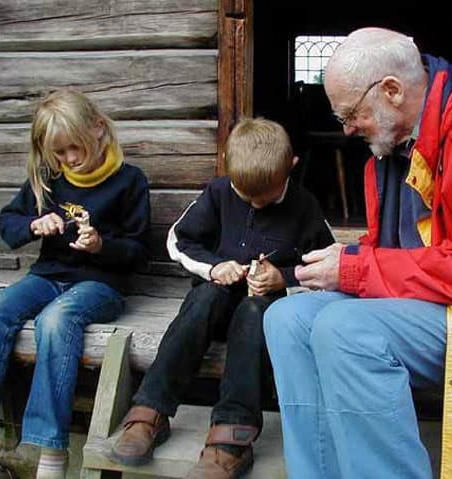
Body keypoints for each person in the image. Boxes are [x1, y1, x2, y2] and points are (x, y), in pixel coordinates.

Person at [263, 27, 452, 479]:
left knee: (345, 330)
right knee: (287, 319)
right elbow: (407, 251)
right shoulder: (391, 146)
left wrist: (359, 270)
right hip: (440, 303)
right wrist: (348, 259)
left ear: (392, 91)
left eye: (349, 113)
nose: (345, 128)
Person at [108, 118, 335, 479]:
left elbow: (327, 266)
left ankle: (233, 436)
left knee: (254, 312)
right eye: (248, 197)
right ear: (228, 164)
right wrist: (214, 268)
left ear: (291, 166)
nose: (258, 205)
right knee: (203, 301)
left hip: (265, 307)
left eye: (269, 195)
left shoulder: (305, 206)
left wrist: (284, 279)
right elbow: (179, 241)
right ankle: (150, 410)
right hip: (217, 295)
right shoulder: (218, 192)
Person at [0, 88, 151, 479]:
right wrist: (33, 224)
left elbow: (138, 251)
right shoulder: (47, 178)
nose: (70, 160)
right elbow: (8, 224)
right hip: (47, 277)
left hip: (100, 285)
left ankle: (51, 452)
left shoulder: (129, 181)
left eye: (75, 148)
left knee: (55, 321)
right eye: (59, 153)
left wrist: (101, 246)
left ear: (98, 129)